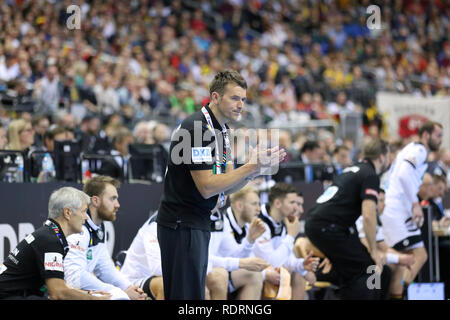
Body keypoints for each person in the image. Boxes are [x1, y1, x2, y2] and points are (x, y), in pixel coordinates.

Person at [156, 70, 286, 299]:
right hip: (181, 224)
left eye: (243, 100)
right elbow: (207, 187)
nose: (240, 105)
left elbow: (224, 185)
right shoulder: (197, 128)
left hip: (197, 222)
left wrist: (254, 170)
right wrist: (249, 167)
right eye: (234, 98)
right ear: (215, 97)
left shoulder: (223, 131)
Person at [305, 138, 392, 300]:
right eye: (388, 155)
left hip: (321, 226)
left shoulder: (352, 169)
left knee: (372, 271)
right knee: (368, 268)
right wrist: (374, 251)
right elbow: (368, 215)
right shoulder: (370, 174)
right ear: (382, 156)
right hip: (329, 228)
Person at [0, 187, 110, 300]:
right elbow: (58, 293)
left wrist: (88, 294)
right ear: (67, 213)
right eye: (83, 211)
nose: (86, 217)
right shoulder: (50, 240)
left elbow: (60, 287)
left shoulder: (49, 234)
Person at [381, 121, 443, 290]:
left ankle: (396, 292)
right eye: (438, 136)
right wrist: (415, 204)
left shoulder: (411, 149)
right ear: (426, 135)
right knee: (419, 255)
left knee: (401, 261)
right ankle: (399, 291)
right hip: (396, 210)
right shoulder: (420, 150)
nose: (441, 140)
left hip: (393, 208)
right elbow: (403, 174)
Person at [64, 175, 147, 300]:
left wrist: (128, 287)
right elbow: (74, 278)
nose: (117, 205)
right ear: (96, 201)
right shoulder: (79, 228)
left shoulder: (97, 227)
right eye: (112, 199)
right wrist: (118, 291)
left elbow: (104, 267)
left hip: (78, 291)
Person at [253, 183, 320, 300]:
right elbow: (272, 263)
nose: (298, 209)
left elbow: (285, 258)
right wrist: (291, 236)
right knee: (279, 274)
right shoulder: (259, 222)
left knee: (298, 273)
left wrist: (301, 265)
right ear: (278, 203)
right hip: (251, 271)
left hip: (265, 270)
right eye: (293, 203)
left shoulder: (281, 222)